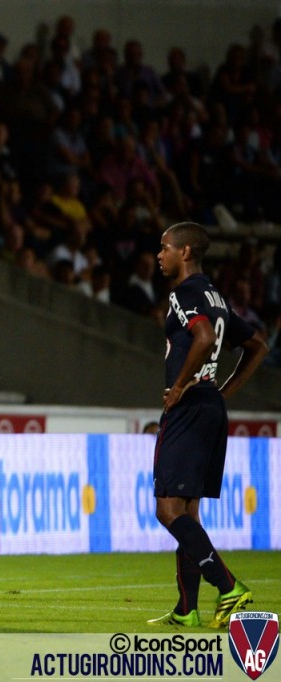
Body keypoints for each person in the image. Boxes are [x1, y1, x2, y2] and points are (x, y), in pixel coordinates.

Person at [147, 222, 267, 628]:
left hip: (189, 408)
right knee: (188, 511)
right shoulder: (216, 296)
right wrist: (223, 392)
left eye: (164, 248)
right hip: (210, 406)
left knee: (167, 509)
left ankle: (228, 585)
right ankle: (186, 609)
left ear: (184, 253)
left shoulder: (183, 293)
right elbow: (258, 345)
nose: (158, 255)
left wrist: (179, 386)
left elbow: (200, 338)